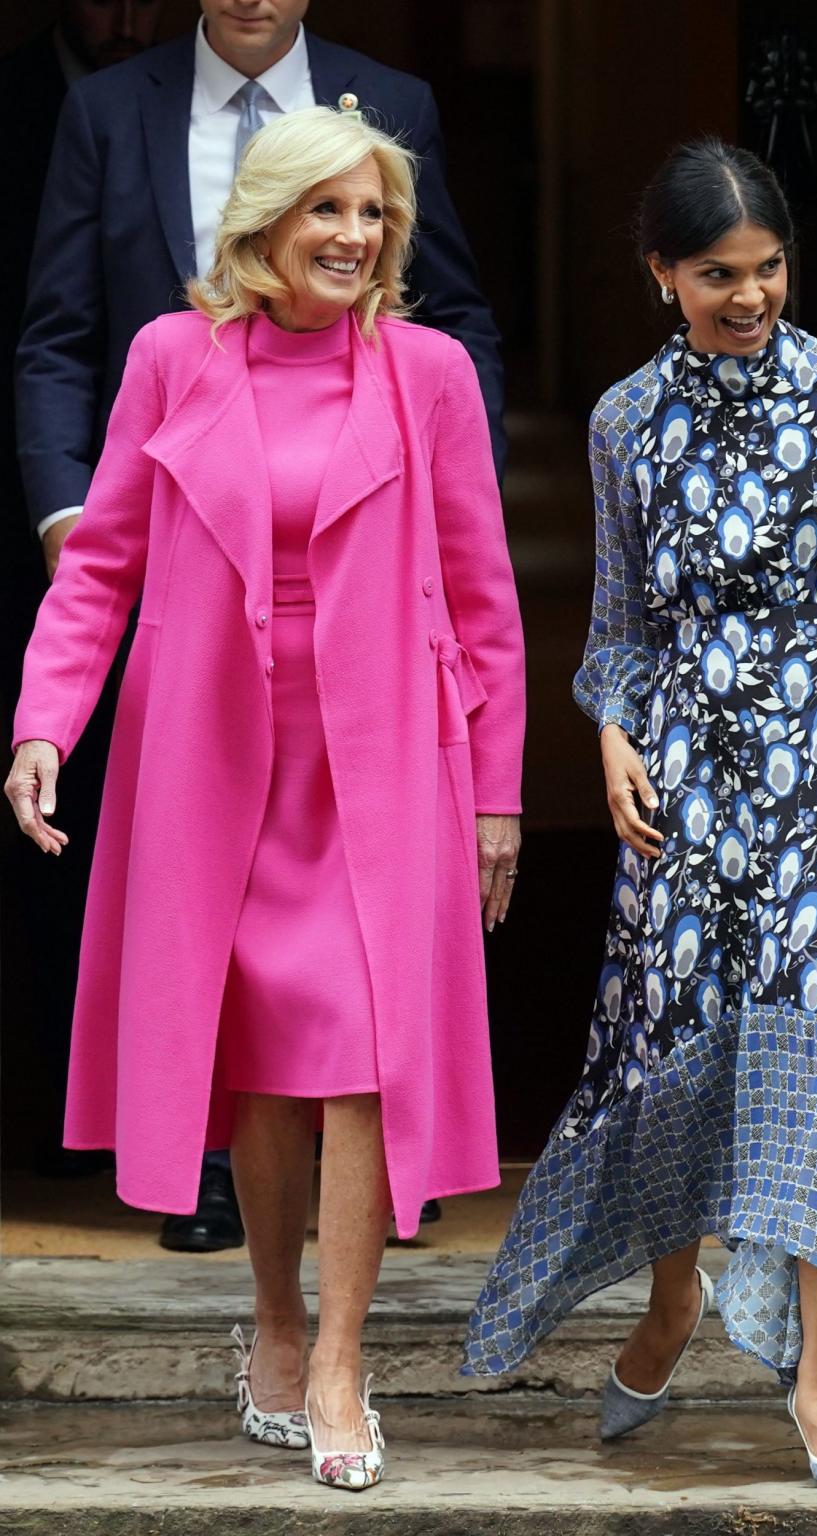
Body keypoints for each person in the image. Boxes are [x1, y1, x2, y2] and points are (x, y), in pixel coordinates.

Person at [7, 105, 524, 1490]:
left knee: (358, 1057)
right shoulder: (173, 359)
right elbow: (103, 562)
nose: (355, 237)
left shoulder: (428, 375)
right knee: (262, 1072)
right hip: (213, 753)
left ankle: (344, 1358)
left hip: (386, 757)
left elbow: (484, 597)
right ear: (265, 225)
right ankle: (279, 1323)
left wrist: (498, 795)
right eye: (328, 212)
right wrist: (46, 722)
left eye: (375, 216)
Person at [463, 138, 817, 1494]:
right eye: (719, 272)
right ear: (662, 273)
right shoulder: (624, 422)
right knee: (680, 1041)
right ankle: (671, 1310)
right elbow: (619, 623)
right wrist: (610, 734)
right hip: (692, 776)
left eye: (770, 266)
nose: (751, 295)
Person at [0, 2, 165, 1179]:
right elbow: (49, 332)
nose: (127, 17)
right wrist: (62, 508)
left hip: (216, 538)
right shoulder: (42, 105)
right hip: (67, 508)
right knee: (57, 820)